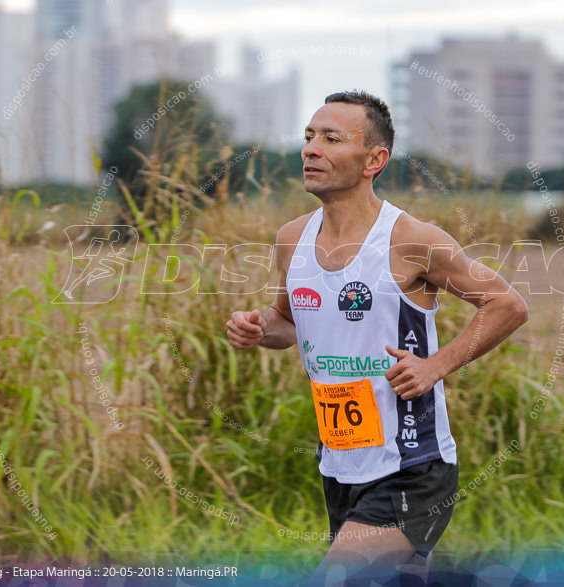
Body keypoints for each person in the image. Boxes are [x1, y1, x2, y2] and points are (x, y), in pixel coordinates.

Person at [226, 90, 528, 584]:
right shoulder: (290, 238)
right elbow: (286, 322)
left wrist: (437, 365)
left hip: (413, 461)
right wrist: (258, 329)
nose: (311, 149)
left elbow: (507, 305)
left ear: (374, 160)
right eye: (308, 137)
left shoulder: (411, 239)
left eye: (331, 138)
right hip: (340, 461)